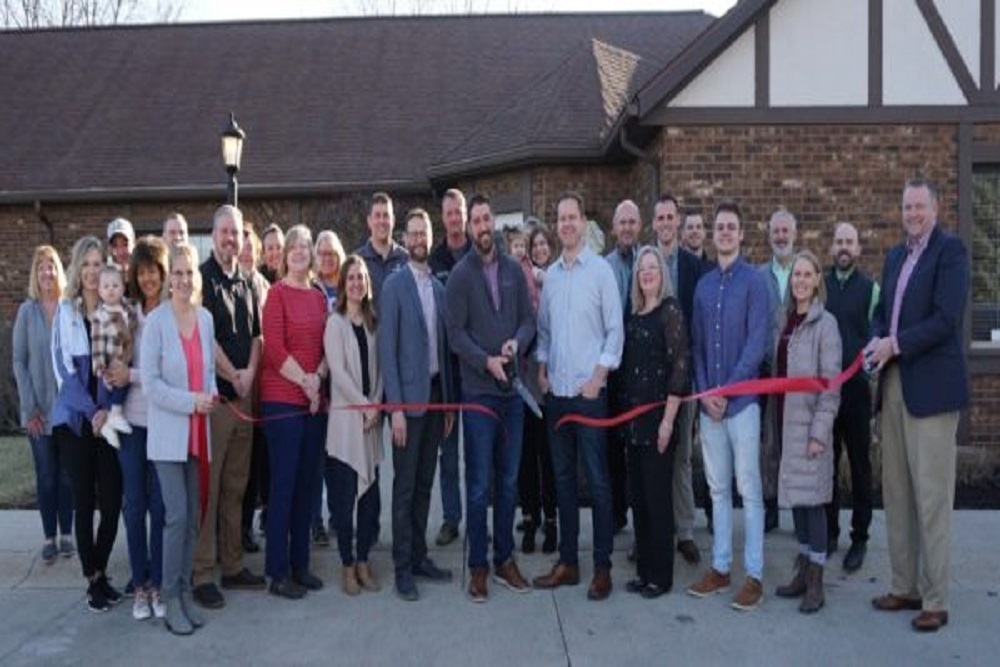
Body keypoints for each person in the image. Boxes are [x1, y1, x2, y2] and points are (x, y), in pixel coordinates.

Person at [867, 179, 970, 633]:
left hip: (931, 391)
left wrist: (896, 344)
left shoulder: (950, 253)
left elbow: (946, 320)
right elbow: (883, 313)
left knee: (931, 499)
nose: (911, 213)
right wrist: (876, 339)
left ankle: (936, 599)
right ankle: (904, 585)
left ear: (935, 209)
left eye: (919, 206)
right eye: (906, 206)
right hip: (893, 384)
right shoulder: (895, 257)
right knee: (897, 494)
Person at [446, 193, 536, 602]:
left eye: (487, 219)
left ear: (494, 222)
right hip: (479, 395)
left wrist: (516, 344)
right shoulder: (460, 276)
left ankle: (504, 559)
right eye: (476, 221)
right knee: (480, 484)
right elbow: (456, 335)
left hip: (512, 394)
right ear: (469, 228)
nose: (483, 227)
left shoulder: (514, 270)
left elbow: (528, 321)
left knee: (508, 481)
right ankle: (478, 566)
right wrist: (486, 362)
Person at [533, 192, 623, 602]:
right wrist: (542, 368)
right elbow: (545, 332)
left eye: (572, 217)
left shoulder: (601, 272)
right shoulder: (551, 276)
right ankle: (568, 562)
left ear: (584, 222)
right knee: (564, 481)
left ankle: (602, 567)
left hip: (589, 397)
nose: (566, 224)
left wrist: (599, 376)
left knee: (598, 483)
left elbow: (614, 331)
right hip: (558, 396)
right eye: (561, 218)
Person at [686, 201, 769, 612]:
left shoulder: (754, 282)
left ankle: (754, 575)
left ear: (741, 233)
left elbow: (757, 344)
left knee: (748, 489)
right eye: (719, 227)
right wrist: (706, 393)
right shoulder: (703, 287)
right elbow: (697, 347)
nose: (724, 232)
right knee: (717, 489)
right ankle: (720, 568)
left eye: (730, 227)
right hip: (710, 407)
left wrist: (728, 391)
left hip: (743, 405)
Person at [379, 208, 456, 601]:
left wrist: (450, 406)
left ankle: (420, 555)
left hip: (437, 400)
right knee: (405, 486)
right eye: (412, 233)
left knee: (426, 484)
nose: (418, 239)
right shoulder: (394, 286)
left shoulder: (440, 289)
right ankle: (402, 568)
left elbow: (445, 351)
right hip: (407, 406)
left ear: (430, 235)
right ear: (404, 238)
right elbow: (387, 353)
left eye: (423, 232)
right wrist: (394, 409)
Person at [142, 242, 217, 635]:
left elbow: (209, 373)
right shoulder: (155, 322)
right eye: (178, 273)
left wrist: (212, 393)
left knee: (192, 521)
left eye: (190, 273)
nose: (184, 279)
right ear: (168, 278)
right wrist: (192, 402)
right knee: (176, 517)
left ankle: (185, 593)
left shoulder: (205, 318)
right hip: (169, 438)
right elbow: (151, 386)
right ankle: (169, 598)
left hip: (198, 433)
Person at [193, 204, 266, 609]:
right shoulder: (202, 279)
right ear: (214, 235)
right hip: (218, 400)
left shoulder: (247, 280)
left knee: (237, 486)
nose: (230, 239)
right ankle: (203, 572)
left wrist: (250, 372)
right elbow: (205, 337)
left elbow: (257, 335)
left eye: (235, 233)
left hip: (245, 397)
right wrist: (233, 374)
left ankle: (233, 564)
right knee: (211, 487)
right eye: (224, 232)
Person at [51, 236, 124, 612]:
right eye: (87, 264)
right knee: (84, 501)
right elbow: (63, 371)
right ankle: (93, 578)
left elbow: (121, 365)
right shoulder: (66, 312)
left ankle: (101, 569)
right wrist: (93, 411)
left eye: (98, 264)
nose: (93, 272)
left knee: (112, 503)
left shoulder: (115, 311)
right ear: (77, 269)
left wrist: (106, 410)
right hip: (77, 423)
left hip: (107, 421)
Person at [260, 224, 328, 599]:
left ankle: (300, 565)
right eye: (294, 247)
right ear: (285, 255)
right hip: (283, 402)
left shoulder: (319, 297)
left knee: (307, 487)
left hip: (314, 402)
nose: (300, 251)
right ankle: (277, 571)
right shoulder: (277, 294)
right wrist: (305, 382)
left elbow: (327, 347)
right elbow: (274, 349)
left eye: (305, 246)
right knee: (284, 487)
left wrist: (318, 379)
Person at [772, 250, 842, 614]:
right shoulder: (786, 320)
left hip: (810, 428)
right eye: (796, 275)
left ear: (817, 281)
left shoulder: (825, 325)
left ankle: (816, 581)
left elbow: (831, 386)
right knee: (797, 502)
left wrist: (819, 433)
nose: (800, 280)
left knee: (813, 504)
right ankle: (802, 570)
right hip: (786, 423)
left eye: (806, 275)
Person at [620, 246, 690, 599]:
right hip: (633, 425)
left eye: (653, 267)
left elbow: (680, 367)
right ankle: (644, 571)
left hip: (659, 422)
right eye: (642, 268)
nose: (647, 273)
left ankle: (661, 577)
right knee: (640, 501)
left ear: (662, 273)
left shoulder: (670, 311)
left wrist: (668, 422)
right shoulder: (633, 314)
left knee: (658, 501)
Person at [651, 193, 709, 564]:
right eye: (660, 218)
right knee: (652, 459)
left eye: (670, 217)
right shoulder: (645, 261)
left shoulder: (693, 266)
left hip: (684, 378)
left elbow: (699, 324)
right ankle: (653, 529)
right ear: (654, 223)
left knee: (683, 457)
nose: (666, 223)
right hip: (650, 380)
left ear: (678, 221)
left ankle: (685, 530)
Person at [117, 237, 169, 621]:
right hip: (132, 424)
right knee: (134, 507)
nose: (148, 278)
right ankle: (140, 585)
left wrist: (131, 375)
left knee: (160, 507)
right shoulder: (126, 312)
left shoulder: (170, 314)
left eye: (154, 271)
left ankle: (159, 583)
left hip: (163, 423)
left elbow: (164, 372)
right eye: (142, 271)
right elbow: (112, 364)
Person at [325, 255, 384, 596]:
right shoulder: (335, 323)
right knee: (346, 500)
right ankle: (347, 565)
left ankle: (363, 561)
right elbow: (338, 372)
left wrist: (374, 404)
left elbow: (380, 371)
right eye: (351, 278)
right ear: (343, 284)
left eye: (361, 278)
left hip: (370, 422)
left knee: (369, 502)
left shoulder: (373, 322)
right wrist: (363, 406)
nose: (357, 283)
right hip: (347, 424)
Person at [13, 245, 74, 564]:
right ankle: (49, 537)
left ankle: (67, 535)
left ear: (58, 271)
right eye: (41, 268)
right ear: (35, 275)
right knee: (47, 475)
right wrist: (30, 406)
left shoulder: (69, 308)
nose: (47, 272)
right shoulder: (27, 311)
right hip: (37, 411)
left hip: (66, 411)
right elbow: (19, 361)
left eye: (51, 266)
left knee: (67, 475)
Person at [824, 222, 879, 571]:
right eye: (839, 241)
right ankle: (829, 533)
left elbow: (877, 335)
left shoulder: (871, 290)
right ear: (832, 248)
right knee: (826, 466)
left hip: (857, 392)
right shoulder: (821, 286)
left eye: (850, 242)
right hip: (826, 393)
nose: (844, 247)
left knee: (860, 466)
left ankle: (860, 538)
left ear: (858, 249)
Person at [428, 188, 471, 547]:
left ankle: (478, 517)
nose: (455, 218)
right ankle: (451, 518)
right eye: (450, 213)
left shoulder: (479, 254)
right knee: (448, 450)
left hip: (476, 369)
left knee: (479, 451)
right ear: (442, 218)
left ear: (465, 216)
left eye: (459, 212)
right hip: (445, 371)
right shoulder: (434, 260)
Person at [516, 221, 556, 554]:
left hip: (551, 381)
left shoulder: (558, 280)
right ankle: (529, 519)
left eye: (544, 244)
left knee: (549, 457)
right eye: (535, 245)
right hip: (525, 378)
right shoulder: (522, 281)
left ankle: (552, 521)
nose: (540, 249)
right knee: (526, 457)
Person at [603, 199, 642, 536]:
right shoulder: (604, 267)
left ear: (639, 226)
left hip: (643, 371)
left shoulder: (650, 261)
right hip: (614, 371)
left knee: (641, 448)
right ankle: (616, 513)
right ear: (614, 228)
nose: (627, 228)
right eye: (622, 222)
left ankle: (644, 517)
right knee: (613, 447)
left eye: (632, 222)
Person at [759, 208, 798, 533]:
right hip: (766, 373)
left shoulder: (806, 272)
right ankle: (770, 506)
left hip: (799, 376)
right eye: (776, 231)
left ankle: (800, 511)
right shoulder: (759, 277)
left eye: (786, 231)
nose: (781, 237)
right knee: (768, 444)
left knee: (796, 443)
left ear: (794, 235)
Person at [310, 229, 346, 547]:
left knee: (338, 459)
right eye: (321, 253)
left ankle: (338, 516)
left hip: (344, 386)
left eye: (332, 253)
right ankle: (315, 522)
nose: (327, 258)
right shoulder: (310, 288)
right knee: (317, 459)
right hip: (317, 382)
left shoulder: (348, 287)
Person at [237, 220, 269, 554]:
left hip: (263, 388)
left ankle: (247, 526)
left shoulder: (265, 288)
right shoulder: (231, 286)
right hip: (238, 386)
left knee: (255, 466)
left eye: (251, 247)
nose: (246, 252)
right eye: (241, 247)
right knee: (236, 466)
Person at [90, 265, 135, 448]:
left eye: (115, 286)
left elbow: (134, 324)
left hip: (127, 357)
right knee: (118, 386)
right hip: (111, 363)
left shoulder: (127, 308)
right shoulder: (100, 316)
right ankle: (114, 415)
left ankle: (108, 426)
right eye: (106, 286)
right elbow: (97, 344)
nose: (111, 290)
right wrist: (101, 368)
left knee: (126, 382)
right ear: (100, 291)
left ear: (123, 288)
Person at [356, 191, 409, 309]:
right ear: (369, 221)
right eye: (377, 216)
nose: (382, 221)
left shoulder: (406, 260)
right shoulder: (357, 261)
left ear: (393, 221)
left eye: (386, 216)